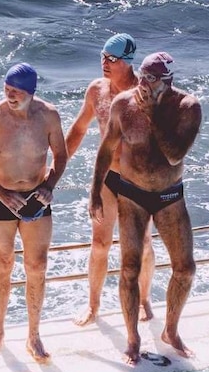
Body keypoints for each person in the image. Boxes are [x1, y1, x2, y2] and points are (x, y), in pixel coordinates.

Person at [90, 52, 201, 366]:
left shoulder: (186, 108)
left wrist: (152, 114)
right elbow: (107, 147)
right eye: (141, 76)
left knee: (185, 268)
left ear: (167, 82)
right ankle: (132, 337)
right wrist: (95, 191)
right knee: (129, 268)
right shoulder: (123, 104)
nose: (143, 84)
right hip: (132, 195)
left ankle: (170, 330)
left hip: (169, 196)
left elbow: (175, 156)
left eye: (150, 79)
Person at [0, 64, 67, 363]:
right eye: (6, 90)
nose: (10, 96)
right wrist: (0, 193)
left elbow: (60, 155)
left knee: (37, 266)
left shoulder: (48, 115)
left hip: (36, 196)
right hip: (0, 196)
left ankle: (33, 335)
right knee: (3, 263)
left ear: (31, 93)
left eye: (16, 92)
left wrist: (49, 186)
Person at [65, 34, 156, 326]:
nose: (104, 63)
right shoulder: (97, 91)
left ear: (127, 62)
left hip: (138, 181)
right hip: (108, 178)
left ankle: (143, 300)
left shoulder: (144, 92)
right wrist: (56, 167)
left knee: (141, 243)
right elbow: (79, 129)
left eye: (111, 59)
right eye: (102, 56)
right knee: (99, 243)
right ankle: (93, 305)